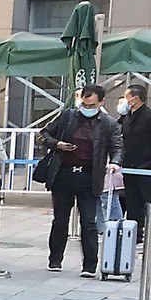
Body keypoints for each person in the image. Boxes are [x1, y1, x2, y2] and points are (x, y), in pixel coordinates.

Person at [39, 82, 122, 276]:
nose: (87, 108)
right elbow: (44, 133)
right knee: (60, 220)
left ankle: (89, 265)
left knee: (89, 222)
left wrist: (115, 162)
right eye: (85, 104)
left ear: (101, 102)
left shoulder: (109, 123)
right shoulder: (68, 116)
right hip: (64, 174)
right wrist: (56, 143)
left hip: (89, 176)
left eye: (92, 105)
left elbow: (117, 146)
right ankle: (55, 259)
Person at [117, 82, 151, 242]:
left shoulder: (148, 116)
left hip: (145, 167)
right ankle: (134, 233)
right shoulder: (127, 117)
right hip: (128, 166)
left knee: (145, 200)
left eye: (126, 97)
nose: (124, 101)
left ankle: (143, 232)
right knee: (131, 200)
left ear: (135, 99)